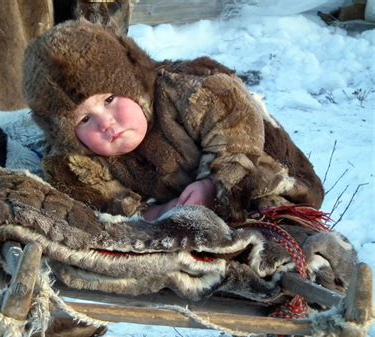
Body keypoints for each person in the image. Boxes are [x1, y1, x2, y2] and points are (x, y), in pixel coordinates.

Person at [23, 19, 324, 223]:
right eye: (85, 119)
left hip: (255, 160)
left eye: (110, 99)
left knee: (266, 194)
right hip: (181, 205)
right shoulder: (78, 159)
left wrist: (212, 184)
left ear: (132, 84)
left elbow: (235, 128)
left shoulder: (183, 92)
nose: (107, 124)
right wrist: (153, 212)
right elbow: (98, 197)